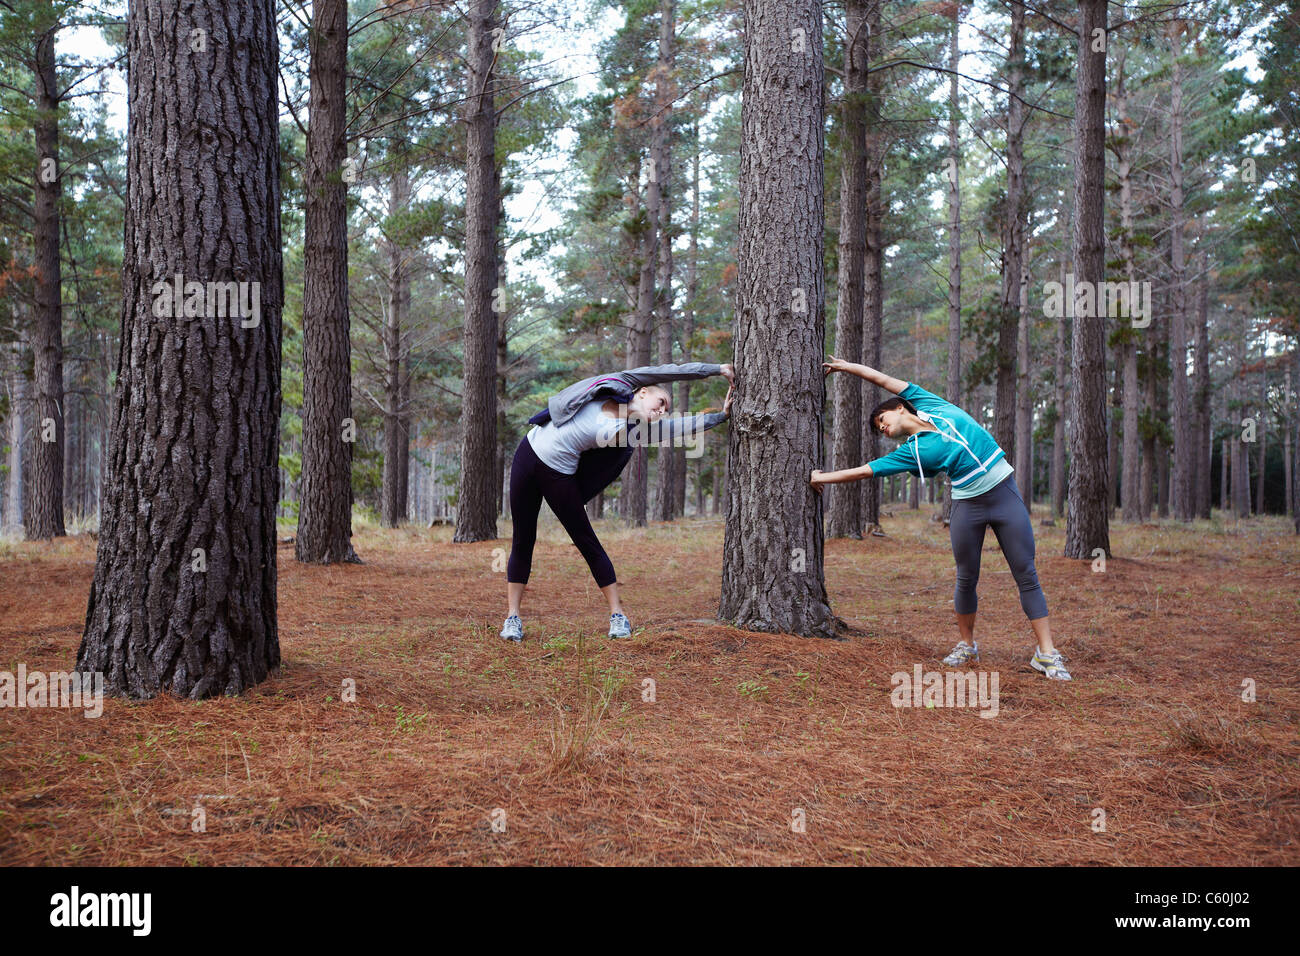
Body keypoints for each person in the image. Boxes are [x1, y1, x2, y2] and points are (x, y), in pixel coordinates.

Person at [810, 357, 1071, 680]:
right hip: (967, 505)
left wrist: (848, 367)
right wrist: (822, 478)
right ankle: (967, 644)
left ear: (901, 408)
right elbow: (868, 470)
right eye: (880, 430)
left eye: (882, 419)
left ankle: (1046, 653)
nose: (883, 427)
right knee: (966, 576)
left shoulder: (929, 403)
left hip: (1004, 493)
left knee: (1026, 572)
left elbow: (885, 381)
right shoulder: (912, 451)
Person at [501, 361, 736, 643]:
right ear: (642, 392)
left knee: (587, 541)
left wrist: (720, 417)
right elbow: (667, 370)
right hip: (527, 454)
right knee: (523, 540)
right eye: (661, 402)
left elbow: (675, 428)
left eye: (665, 410)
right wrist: (715, 369)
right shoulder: (618, 383)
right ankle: (513, 618)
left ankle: (617, 615)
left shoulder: (632, 431)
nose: (662, 410)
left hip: (559, 475)